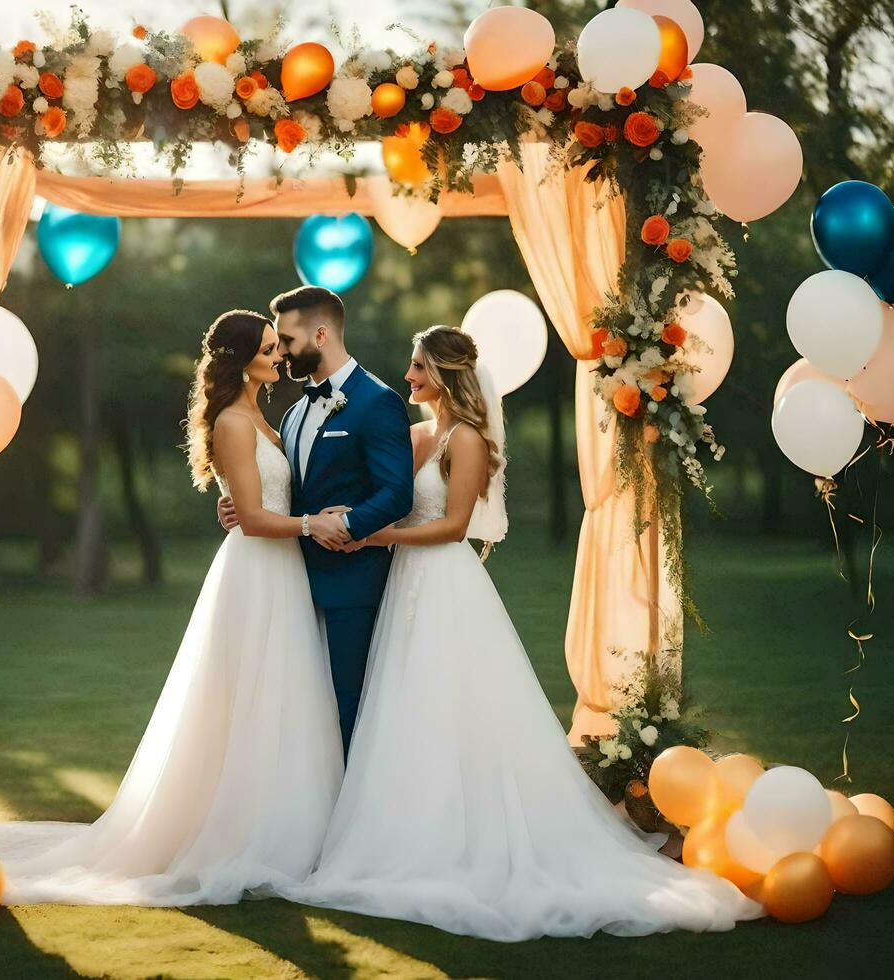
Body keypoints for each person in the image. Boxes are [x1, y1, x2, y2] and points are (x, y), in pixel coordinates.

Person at [280, 325, 763, 940]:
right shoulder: (417, 433)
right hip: (405, 583)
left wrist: (376, 536)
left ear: (447, 374)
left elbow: (454, 527)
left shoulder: (469, 441)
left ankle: (474, 831)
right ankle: (413, 827)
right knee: (407, 708)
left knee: (456, 703)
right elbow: (369, 483)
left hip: (443, 582)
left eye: (419, 369)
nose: (408, 379)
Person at [0, 311, 343, 905]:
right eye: (269, 349)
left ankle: (290, 826)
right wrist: (312, 523)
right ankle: (242, 834)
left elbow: (254, 501)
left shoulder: (261, 416)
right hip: (258, 571)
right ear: (240, 358)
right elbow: (250, 516)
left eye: (278, 347)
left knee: (284, 698)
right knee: (249, 700)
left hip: (282, 567)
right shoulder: (231, 421)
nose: (279, 357)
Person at [219, 285, 414, 757]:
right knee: (298, 715)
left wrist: (348, 528)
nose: (281, 353)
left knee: (349, 708)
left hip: (351, 583)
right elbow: (281, 491)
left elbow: (397, 492)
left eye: (285, 340)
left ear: (320, 334)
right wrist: (238, 507)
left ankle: (354, 823)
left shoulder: (377, 401)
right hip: (287, 585)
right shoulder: (291, 413)